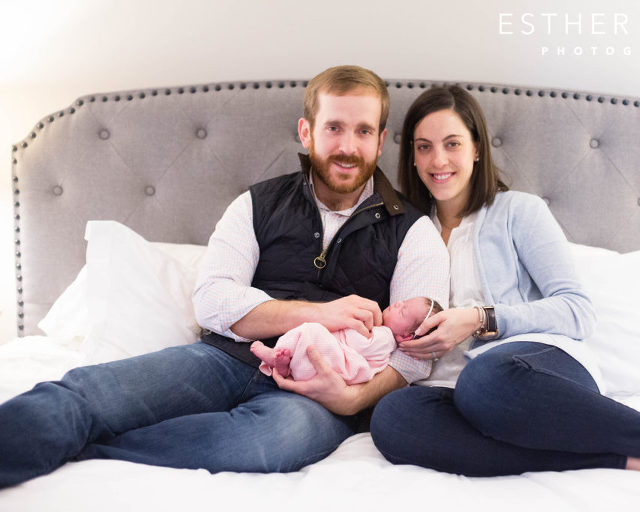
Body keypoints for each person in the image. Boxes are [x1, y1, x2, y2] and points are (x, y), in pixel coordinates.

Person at [0, 65, 449, 489]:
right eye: (334, 127)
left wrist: (352, 401)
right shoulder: (257, 204)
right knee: (86, 393)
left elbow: (416, 353)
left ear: (380, 139)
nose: (348, 146)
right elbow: (213, 301)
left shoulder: (415, 231)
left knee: (265, 442)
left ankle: (91, 453)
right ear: (307, 131)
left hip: (315, 394)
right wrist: (320, 314)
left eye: (363, 131)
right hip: (220, 360)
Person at [369, 85, 640, 483]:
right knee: (390, 419)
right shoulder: (403, 232)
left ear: (476, 148)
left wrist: (480, 319)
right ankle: (621, 460)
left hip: (527, 371)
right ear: (413, 158)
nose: (438, 160)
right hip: (445, 390)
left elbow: (578, 311)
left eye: (452, 143)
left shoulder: (517, 212)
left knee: (484, 381)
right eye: (424, 147)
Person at [251, 297, 442, 384]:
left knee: (312, 330)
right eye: (403, 301)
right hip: (320, 364)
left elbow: (360, 344)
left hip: (335, 361)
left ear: (406, 336)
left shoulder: (385, 337)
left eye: (403, 311)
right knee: (310, 337)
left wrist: (354, 326)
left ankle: (275, 354)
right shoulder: (381, 332)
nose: (398, 303)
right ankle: (284, 367)